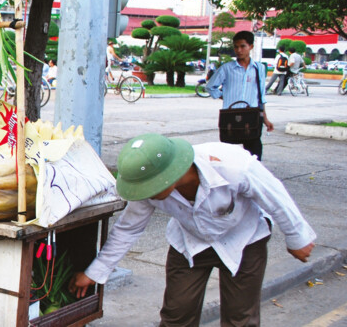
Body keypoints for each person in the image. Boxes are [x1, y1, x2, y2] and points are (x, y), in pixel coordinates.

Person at [69, 133, 316, 327]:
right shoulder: (147, 191)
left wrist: (297, 237)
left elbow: (275, 197)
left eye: (151, 187)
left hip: (245, 240)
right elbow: (127, 230)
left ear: (170, 174)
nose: (146, 194)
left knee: (241, 316)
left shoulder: (233, 166)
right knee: (177, 312)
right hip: (189, 242)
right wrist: (96, 271)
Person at [205, 31, 273, 160]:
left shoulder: (259, 68)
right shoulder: (227, 68)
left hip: (251, 116)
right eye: (236, 47)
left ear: (251, 46)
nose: (239, 50)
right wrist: (223, 95)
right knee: (227, 155)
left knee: (254, 156)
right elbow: (210, 86)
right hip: (231, 116)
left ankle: (250, 178)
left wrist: (265, 118)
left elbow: (261, 95)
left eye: (243, 46)